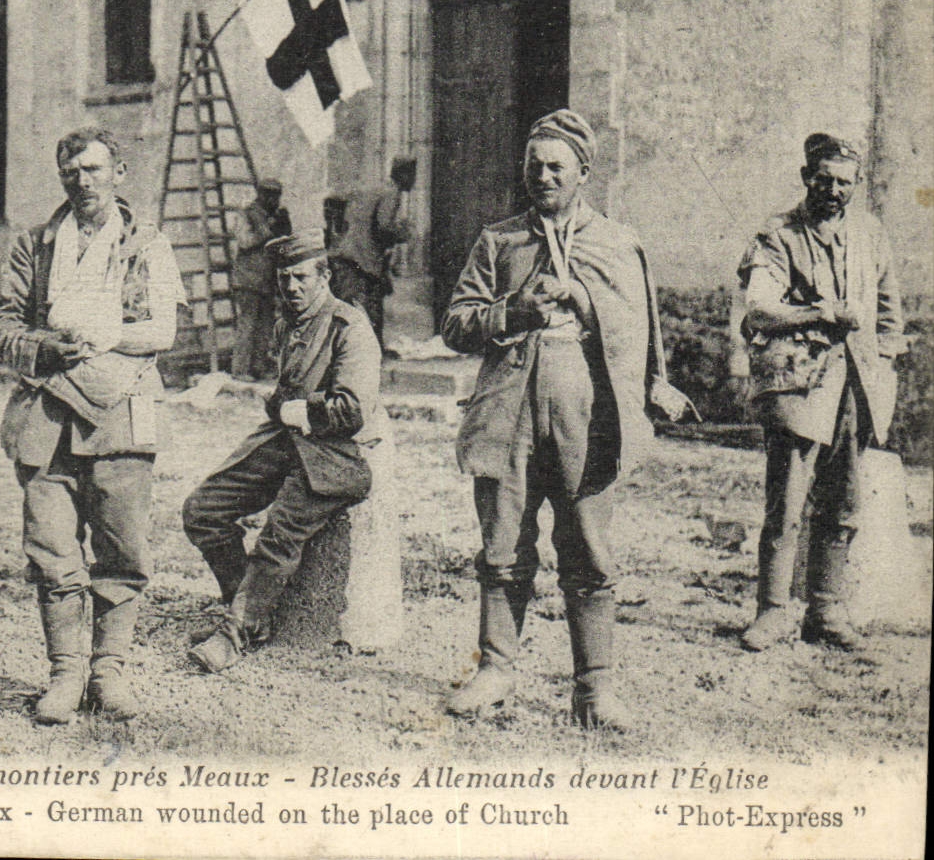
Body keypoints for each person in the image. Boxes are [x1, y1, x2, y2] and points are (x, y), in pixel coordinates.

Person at [440, 109, 693, 732]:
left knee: (588, 549)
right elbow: (455, 325)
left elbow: (642, 330)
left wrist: (585, 299)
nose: (543, 176)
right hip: (510, 415)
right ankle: (495, 670)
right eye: (535, 166)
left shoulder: (617, 242)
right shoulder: (498, 243)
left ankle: (595, 690)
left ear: (585, 172)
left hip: (589, 416)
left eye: (557, 166)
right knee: (502, 545)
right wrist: (511, 312)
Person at [0, 128, 183, 724]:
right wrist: (45, 348)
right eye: (71, 172)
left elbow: (164, 332)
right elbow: (3, 326)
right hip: (46, 414)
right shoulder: (36, 246)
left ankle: (109, 672)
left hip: (123, 412)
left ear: (119, 172)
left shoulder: (147, 244)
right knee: (51, 551)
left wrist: (108, 337)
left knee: (122, 549)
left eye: (95, 169)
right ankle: (65, 674)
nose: (83, 181)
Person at [181, 228, 389, 673]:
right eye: (284, 280)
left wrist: (298, 409)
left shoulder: (348, 327)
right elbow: (283, 396)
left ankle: (235, 633)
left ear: (325, 276)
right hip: (288, 442)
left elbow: (351, 410)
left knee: (279, 534)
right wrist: (281, 407)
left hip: (336, 455)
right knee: (203, 509)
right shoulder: (287, 326)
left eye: (300, 278)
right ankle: (245, 610)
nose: (291, 288)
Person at [737, 133, 905, 653]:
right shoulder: (777, 235)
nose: (833, 190)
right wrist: (817, 313)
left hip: (857, 384)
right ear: (806, 176)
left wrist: (883, 366)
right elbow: (758, 311)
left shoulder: (870, 234)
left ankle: (827, 610)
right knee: (786, 501)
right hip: (798, 384)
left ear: (856, 184)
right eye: (824, 179)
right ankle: (772, 611)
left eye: (844, 182)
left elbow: (889, 313)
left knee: (844, 500)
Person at [326, 160, 415, 349]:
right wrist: (403, 233)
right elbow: (384, 227)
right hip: (362, 260)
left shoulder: (374, 188)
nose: (414, 181)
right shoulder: (392, 193)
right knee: (364, 308)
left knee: (353, 307)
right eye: (412, 175)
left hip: (349, 255)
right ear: (404, 175)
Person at [229, 179, 290, 380]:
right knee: (248, 324)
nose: (274, 200)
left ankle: (259, 367)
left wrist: (284, 229)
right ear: (260, 194)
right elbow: (245, 242)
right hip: (247, 279)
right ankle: (240, 370)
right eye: (269, 195)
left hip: (267, 280)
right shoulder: (246, 214)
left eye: (276, 195)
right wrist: (267, 229)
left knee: (265, 325)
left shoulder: (277, 216)